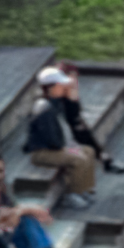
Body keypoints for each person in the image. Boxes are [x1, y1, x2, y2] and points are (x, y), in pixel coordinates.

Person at [24, 68, 96, 211]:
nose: (64, 87)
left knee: (88, 150)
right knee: (78, 158)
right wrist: (68, 149)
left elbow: (74, 114)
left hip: (56, 148)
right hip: (43, 152)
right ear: (51, 87)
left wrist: (72, 98)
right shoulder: (43, 107)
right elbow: (52, 139)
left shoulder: (54, 101)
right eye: (60, 85)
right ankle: (71, 195)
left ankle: (84, 189)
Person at [56, 62, 124, 174]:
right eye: (71, 77)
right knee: (82, 137)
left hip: (74, 129)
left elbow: (76, 118)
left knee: (85, 135)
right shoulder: (58, 99)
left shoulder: (70, 95)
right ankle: (104, 161)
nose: (74, 81)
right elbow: (66, 121)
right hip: (60, 135)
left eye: (75, 77)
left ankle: (105, 160)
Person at [0, 152, 53, 248]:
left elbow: (13, 208)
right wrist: (24, 210)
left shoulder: (3, 186)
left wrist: (30, 209)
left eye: (1, 171)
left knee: (28, 218)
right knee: (25, 220)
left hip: (9, 228)